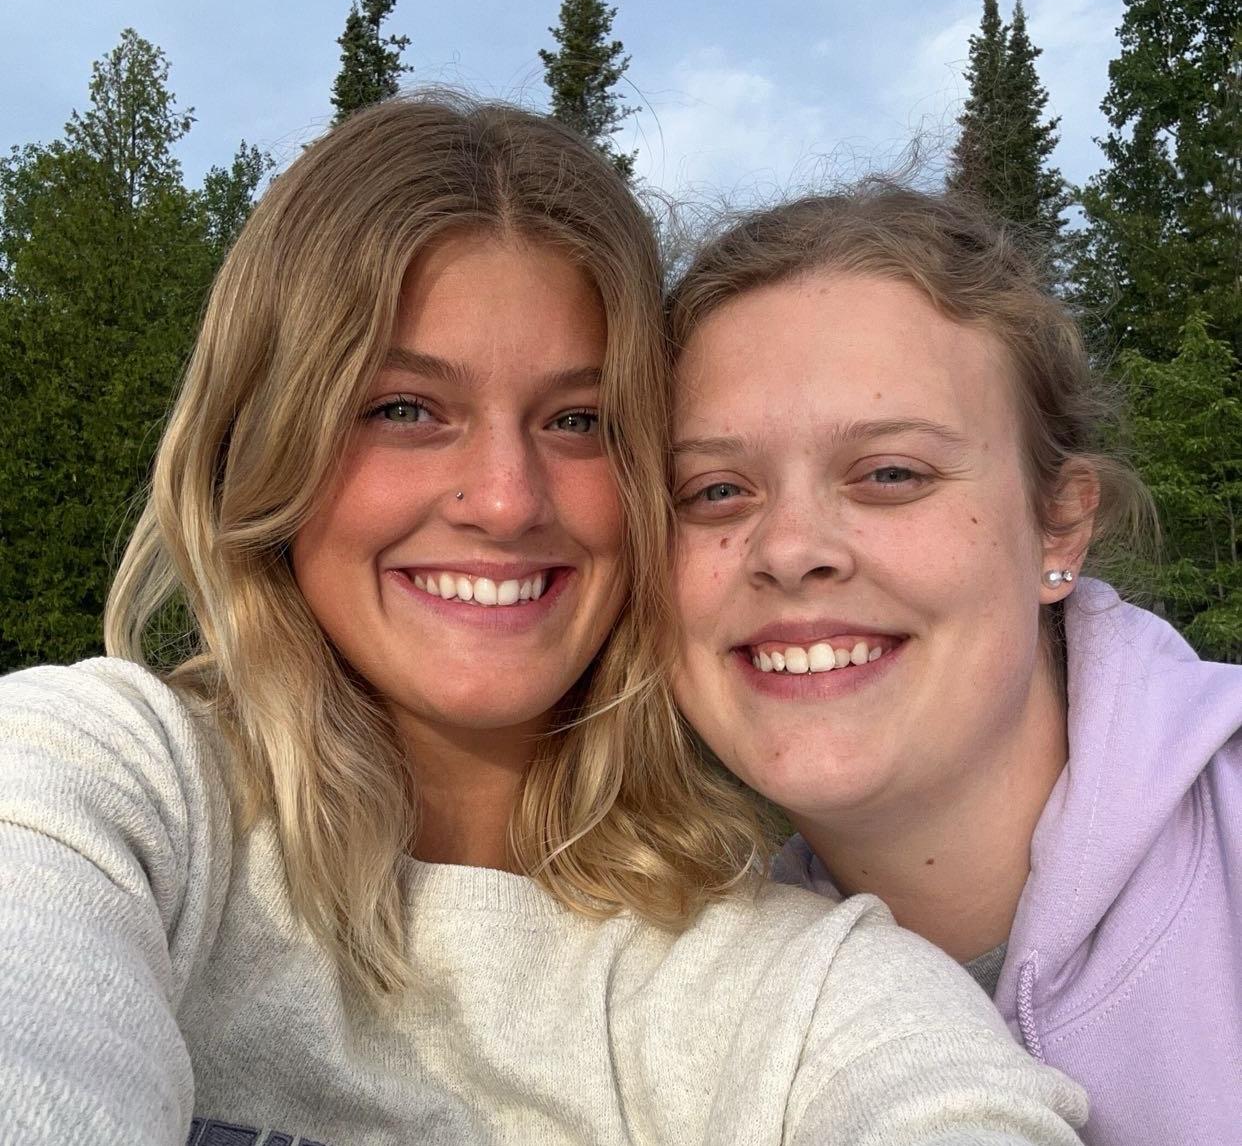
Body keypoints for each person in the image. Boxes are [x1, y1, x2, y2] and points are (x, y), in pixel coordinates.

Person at [0, 99, 1087, 1146]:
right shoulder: (105, 788)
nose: (506, 499)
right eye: (404, 409)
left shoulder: (800, 992)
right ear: (264, 441)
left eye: (578, 420)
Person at [666, 183, 1242, 1146]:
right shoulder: (692, 1012)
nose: (790, 547)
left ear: (1059, 527)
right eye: (716, 490)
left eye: (891, 474)